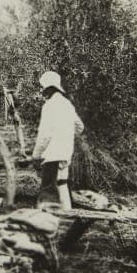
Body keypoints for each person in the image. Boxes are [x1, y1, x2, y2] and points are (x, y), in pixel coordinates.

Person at [31, 71, 85, 209]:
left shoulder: (49, 106)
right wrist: (65, 135)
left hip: (52, 156)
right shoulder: (67, 104)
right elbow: (80, 127)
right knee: (62, 183)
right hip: (66, 153)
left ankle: (48, 216)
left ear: (49, 89)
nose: (43, 92)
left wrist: (36, 155)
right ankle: (68, 214)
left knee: (48, 192)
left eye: (44, 89)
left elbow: (44, 135)